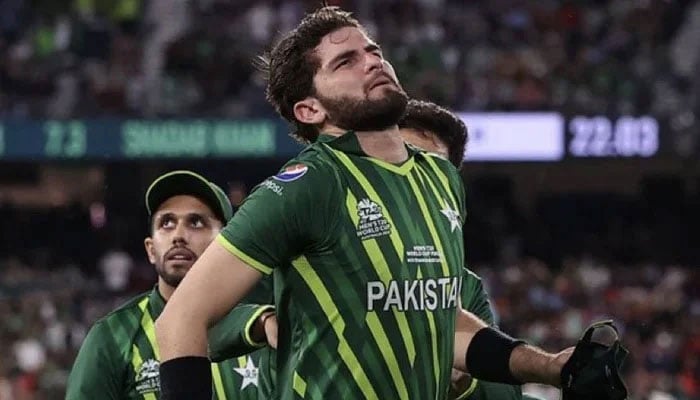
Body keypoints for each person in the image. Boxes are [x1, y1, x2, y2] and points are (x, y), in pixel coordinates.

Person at [155, 7, 580, 400]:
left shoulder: (440, 177)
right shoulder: (310, 185)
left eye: (372, 51)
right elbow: (179, 318)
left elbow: (438, 320)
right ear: (309, 109)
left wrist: (552, 368)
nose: (373, 62)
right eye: (346, 62)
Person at [212, 99, 541, 400]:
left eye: (426, 167)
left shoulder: (464, 287)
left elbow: (505, 395)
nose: (405, 178)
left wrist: (463, 381)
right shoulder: (299, 261)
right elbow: (201, 322)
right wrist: (263, 321)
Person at [66, 170, 264, 399]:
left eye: (196, 222)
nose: (178, 235)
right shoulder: (111, 336)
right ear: (151, 249)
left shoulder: (262, 327)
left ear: (228, 245)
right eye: (167, 223)